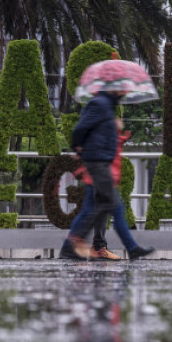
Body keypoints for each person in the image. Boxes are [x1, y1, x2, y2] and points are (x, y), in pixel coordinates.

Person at [60, 90, 154, 260]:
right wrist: (77, 147)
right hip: (99, 164)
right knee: (109, 206)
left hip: (101, 163)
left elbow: (101, 136)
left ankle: (70, 246)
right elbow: (81, 128)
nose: (124, 92)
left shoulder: (107, 106)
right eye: (121, 88)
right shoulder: (100, 104)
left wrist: (115, 129)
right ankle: (73, 242)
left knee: (100, 208)